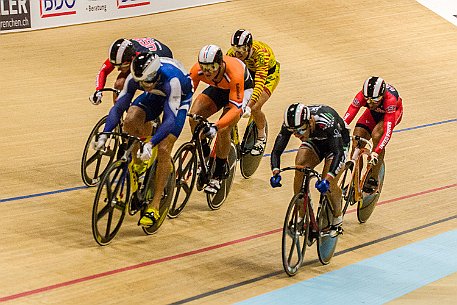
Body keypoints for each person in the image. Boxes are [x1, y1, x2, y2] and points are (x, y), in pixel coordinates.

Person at [94, 52, 192, 227]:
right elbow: (119, 108)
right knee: (130, 120)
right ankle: (140, 165)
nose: (142, 86)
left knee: (163, 148)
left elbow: (170, 119)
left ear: (154, 75)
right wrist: (105, 134)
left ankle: (154, 205)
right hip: (156, 93)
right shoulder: (138, 78)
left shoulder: (172, 81)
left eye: (146, 82)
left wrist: (151, 143)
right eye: (140, 83)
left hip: (179, 98)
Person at [270, 103, 350, 235]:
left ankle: (337, 217)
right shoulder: (291, 124)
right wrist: (275, 171)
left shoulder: (326, 122)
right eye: (293, 132)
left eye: (300, 130)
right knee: (300, 167)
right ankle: (301, 215)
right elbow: (276, 151)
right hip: (315, 141)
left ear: (311, 121)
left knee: (329, 183)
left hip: (338, 144)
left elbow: (338, 153)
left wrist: (328, 179)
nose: (296, 135)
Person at [188, 44, 254, 193]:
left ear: (221, 64)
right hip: (219, 88)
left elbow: (235, 108)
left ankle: (219, 170)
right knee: (194, 117)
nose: (207, 72)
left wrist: (215, 127)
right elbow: (185, 94)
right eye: (204, 68)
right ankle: (204, 153)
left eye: (212, 68)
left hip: (241, 90)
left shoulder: (234, 73)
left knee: (224, 129)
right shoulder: (197, 70)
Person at [342, 76, 403, 193]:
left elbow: (387, 131)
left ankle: (374, 178)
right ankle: (355, 180)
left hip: (391, 113)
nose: (369, 103)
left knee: (377, 135)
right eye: (367, 100)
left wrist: (377, 151)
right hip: (373, 114)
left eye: (374, 101)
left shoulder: (390, 100)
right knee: (357, 138)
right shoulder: (362, 96)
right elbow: (349, 115)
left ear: (382, 96)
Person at [227, 29, 280, 156]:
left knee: (256, 107)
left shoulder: (261, 54)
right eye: (235, 49)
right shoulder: (231, 54)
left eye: (241, 49)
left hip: (268, 76)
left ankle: (261, 137)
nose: (237, 53)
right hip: (248, 73)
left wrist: (249, 107)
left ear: (249, 47)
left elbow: (259, 84)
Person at [89, 37, 173, 105]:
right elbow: (103, 71)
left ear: (131, 59)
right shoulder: (122, 53)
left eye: (122, 66)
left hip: (161, 56)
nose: (118, 69)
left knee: (149, 85)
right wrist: (98, 90)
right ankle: (118, 117)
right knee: (119, 84)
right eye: (116, 66)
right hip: (143, 50)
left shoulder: (143, 58)